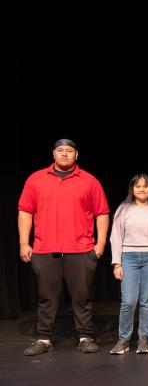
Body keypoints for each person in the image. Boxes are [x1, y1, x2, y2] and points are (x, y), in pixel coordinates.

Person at [19, 139, 109, 356]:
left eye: (69, 151)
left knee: (82, 295)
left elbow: (102, 212)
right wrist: (24, 242)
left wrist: (101, 243)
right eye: (60, 150)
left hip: (80, 248)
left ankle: (85, 337)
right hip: (45, 248)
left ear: (76, 155)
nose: (65, 154)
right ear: (53, 154)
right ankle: (44, 338)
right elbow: (25, 211)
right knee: (47, 296)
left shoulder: (89, 181)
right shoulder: (36, 179)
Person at [109, 174, 148, 355]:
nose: (141, 189)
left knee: (147, 302)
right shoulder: (123, 209)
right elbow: (115, 237)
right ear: (132, 189)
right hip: (129, 258)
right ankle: (123, 340)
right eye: (138, 186)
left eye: (145, 186)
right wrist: (117, 263)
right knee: (129, 301)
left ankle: (143, 339)